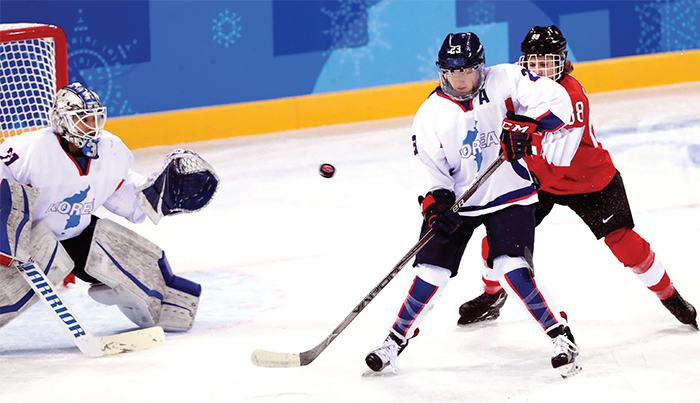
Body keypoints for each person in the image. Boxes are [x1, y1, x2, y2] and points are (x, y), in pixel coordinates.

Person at [365, 32, 581, 378]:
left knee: (513, 270)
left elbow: (557, 100)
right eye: (452, 73)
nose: (460, 80)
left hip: (510, 193)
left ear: (481, 67)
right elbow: (432, 173)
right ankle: (395, 340)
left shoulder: (507, 78)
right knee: (429, 275)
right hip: (460, 203)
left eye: (467, 71)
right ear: (442, 72)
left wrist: (528, 124)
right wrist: (436, 206)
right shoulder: (430, 113)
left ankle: (561, 336)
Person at [457, 26, 698, 331]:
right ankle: (492, 296)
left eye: (547, 62)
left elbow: (559, 161)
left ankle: (670, 296)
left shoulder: (571, 97)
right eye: (534, 62)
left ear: (562, 62)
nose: (539, 69)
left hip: (589, 179)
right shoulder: (516, 85)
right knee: (496, 241)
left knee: (624, 243)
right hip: (537, 176)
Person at [0, 82, 219, 334]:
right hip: (25, 242)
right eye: (82, 119)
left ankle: (166, 308)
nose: (92, 125)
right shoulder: (29, 150)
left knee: (138, 261)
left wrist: (162, 194)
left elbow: (125, 194)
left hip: (76, 235)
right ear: (62, 121)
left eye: (95, 117)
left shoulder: (111, 150)